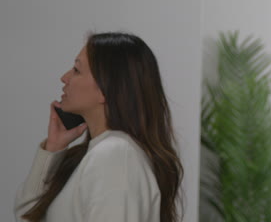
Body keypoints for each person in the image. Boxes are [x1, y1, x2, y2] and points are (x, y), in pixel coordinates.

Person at [14, 32, 184, 222]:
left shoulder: (116, 155)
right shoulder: (100, 154)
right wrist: (53, 148)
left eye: (77, 70)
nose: (64, 78)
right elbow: (27, 216)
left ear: (106, 88)